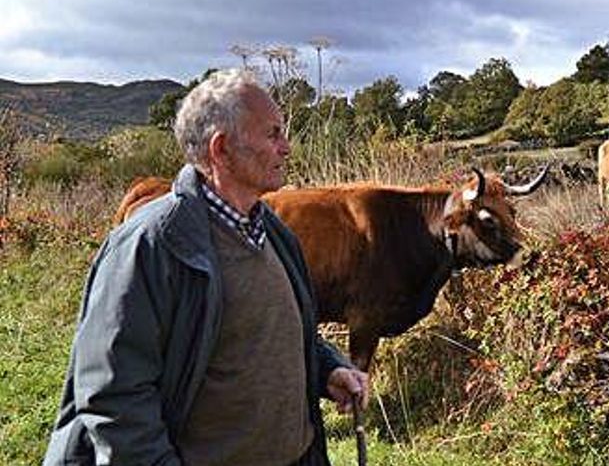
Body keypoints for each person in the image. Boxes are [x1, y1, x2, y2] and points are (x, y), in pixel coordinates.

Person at [43, 68, 369, 466]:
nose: (287, 147)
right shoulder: (151, 245)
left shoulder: (275, 234)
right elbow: (113, 396)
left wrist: (328, 369)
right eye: (273, 134)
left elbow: (280, 334)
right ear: (221, 149)